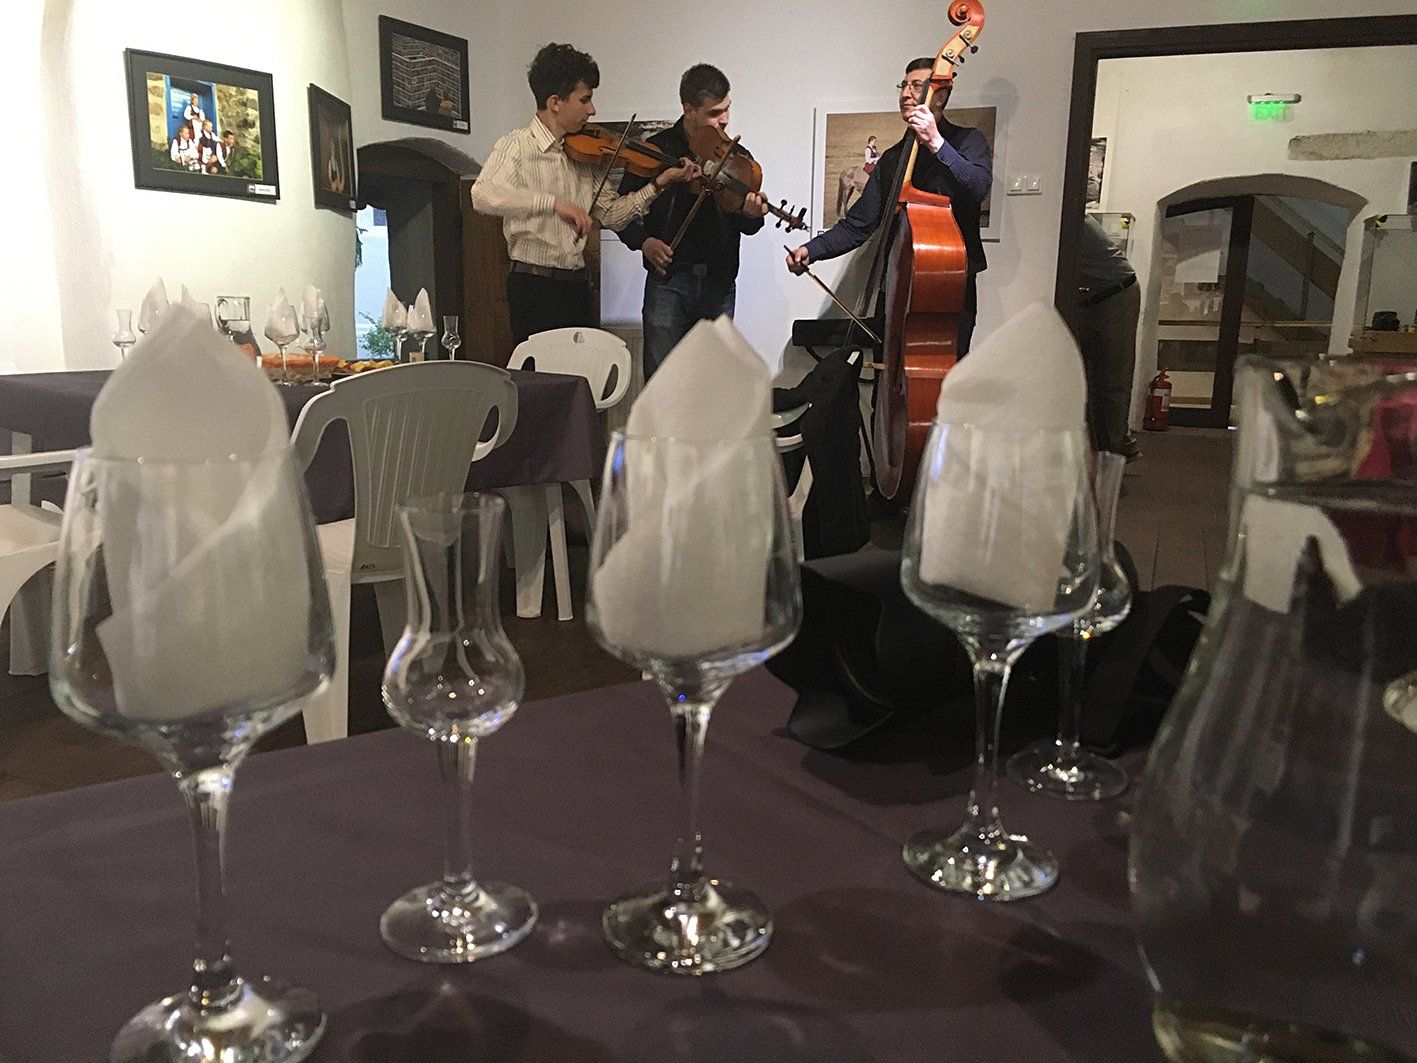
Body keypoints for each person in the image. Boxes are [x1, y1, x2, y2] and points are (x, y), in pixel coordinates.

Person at [471, 43, 696, 345]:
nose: (592, 110)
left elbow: (613, 217)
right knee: (541, 373)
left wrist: (659, 183)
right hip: (533, 285)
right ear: (555, 102)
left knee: (584, 372)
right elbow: (482, 194)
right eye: (585, 99)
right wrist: (553, 203)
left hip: (577, 286)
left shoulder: (584, 155)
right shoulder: (517, 146)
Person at [786, 57, 992, 355]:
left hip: (950, 288)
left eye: (917, 86)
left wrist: (936, 142)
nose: (906, 93)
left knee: (948, 370)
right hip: (896, 285)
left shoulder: (968, 141)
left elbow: (978, 188)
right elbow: (858, 224)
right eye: (903, 86)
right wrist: (811, 250)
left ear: (941, 96)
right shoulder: (893, 158)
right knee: (888, 367)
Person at [617, 63, 769, 379]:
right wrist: (643, 242)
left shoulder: (737, 156)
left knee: (712, 384)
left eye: (726, 109)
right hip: (668, 283)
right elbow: (621, 211)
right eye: (714, 113)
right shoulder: (657, 150)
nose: (724, 119)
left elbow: (747, 225)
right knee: (663, 382)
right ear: (689, 109)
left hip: (718, 285)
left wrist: (751, 214)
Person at [1076, 214, 1141, 459]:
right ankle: (1107, 447)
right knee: (1095, 379)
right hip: (1092, 297)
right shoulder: (1069, 217)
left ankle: (1114, 452)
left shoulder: (1073, 219)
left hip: (1116, 293)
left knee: (1113, 379)